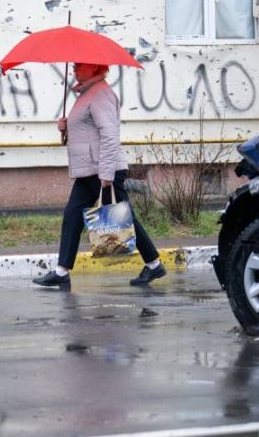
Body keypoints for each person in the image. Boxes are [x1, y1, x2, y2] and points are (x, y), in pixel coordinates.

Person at [33, 62, 166, 288]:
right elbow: (87, 130)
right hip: (89, 170)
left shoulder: (101, 93)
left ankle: (154, 265)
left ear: (95, 68)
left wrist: (106, 173)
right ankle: (61, 271)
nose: (74, 69)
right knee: (72, 215)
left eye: (79, 66)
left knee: (124, 218)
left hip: (103, 170)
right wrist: (65, 128)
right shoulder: (86, 94)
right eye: (73, 66)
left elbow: (109, 134)